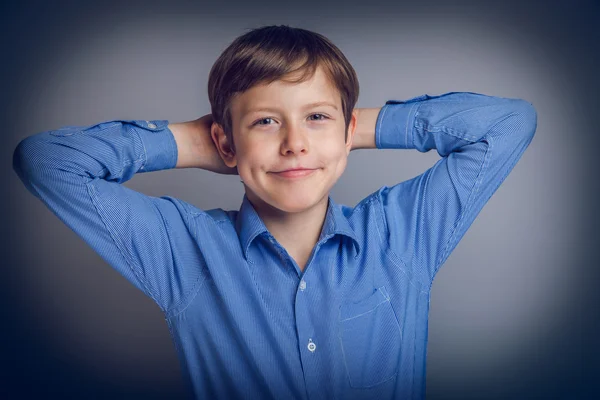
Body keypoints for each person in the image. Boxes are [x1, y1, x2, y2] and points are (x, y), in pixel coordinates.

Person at [12, 24, 537, 400]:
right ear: (226, 141)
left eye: (315, 117)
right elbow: (45, 161)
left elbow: (510, 123)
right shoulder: (183, 250)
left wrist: (352, 130)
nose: (294, 145)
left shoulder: (401, 236)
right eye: (265, 122)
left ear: (347, 129)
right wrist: (202, 144)